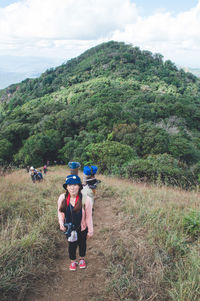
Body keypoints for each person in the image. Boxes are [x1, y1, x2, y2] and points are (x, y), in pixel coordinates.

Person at [57, 174, 93, 271]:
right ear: (67, 187)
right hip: (69, 228)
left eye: (75, 185)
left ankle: (82, 259)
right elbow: (60, 212)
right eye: (69, 185)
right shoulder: (62, 198)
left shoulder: (86, 199)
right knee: (71, 245)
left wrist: (90, 230)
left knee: (82, 244)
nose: (72, 188)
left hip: (82, 228)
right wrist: (61, 223)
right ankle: (73, 261)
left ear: (79, 186)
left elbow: (89, 216)